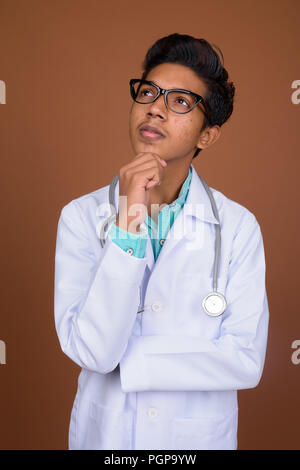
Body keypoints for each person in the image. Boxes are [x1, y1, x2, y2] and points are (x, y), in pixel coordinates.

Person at [54, 33, 269, 450]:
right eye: (149, 92)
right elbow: (95, 354)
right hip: (107, 440)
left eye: (181, 101)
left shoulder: (238, 227)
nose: (155, 107)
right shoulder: (80, 218)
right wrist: (130, 217)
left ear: (207, 136)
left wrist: (129, 361)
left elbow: (245, 361)